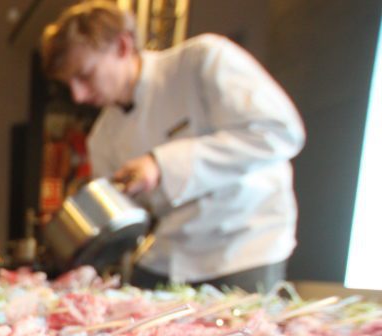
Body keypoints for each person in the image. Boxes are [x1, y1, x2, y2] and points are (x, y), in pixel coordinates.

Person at [41, 1, 306, 291]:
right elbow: (121, 215)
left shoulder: (202, 61)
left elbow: (279, 131)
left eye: (85, 75)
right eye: (69, 84)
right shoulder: (102, 137)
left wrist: (160, 164)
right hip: (170, 255)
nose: (78, 96)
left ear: (122, 46)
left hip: (242, 245)